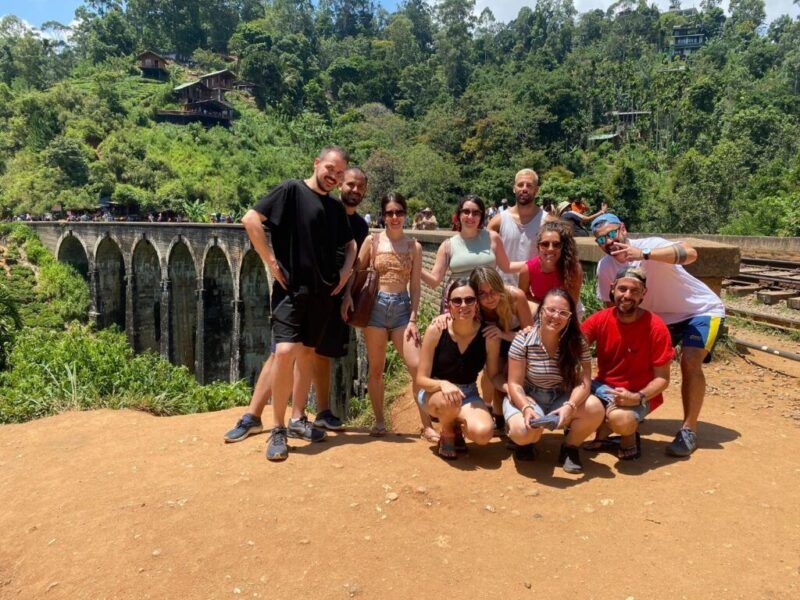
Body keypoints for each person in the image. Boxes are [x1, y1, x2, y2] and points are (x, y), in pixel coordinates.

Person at [225, 167, 369, 444]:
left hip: (334, 296)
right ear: (340, 184)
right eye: (350, 183)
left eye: (360, 187)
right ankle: (253, 416)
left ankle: (321, 412)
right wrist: (272, 261)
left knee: (319, 353)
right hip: (304, 292)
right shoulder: (320, 205)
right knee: (282, 353)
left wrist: (347, 292)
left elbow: (356, 261)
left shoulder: (358, 225)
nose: (354, 190)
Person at [591, 213, 725, 457]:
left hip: (700, 310)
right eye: (601, 240)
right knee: (636, 360)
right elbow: (609, 310)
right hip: (658, 319)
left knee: (690, 360)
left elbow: (691, 253)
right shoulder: (606, 267)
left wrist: (643, 255)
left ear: (623, 228)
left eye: (612, 234)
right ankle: (633, 410)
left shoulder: (650, 245)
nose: (609, 242)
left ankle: (688, 430)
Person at [342, 192, 437, 441]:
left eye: (399, 212)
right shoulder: (372, 242)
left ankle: (426, 424)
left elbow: (415, 287)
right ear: (383, 216)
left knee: (417, 368)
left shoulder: (413, 246)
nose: (394, 217)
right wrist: (347, 297)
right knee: (376, 369)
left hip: (402, 309)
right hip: (375, 308)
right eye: (389, 213)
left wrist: (414, 318)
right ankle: (380, 420)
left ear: (405, 214)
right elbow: (357, 271)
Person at [503, 288, 605, 473]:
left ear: (569, 317)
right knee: (522, 432)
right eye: (551, 310)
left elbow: (584, 383)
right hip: (530, 396)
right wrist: (525, 407)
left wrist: (570, 405)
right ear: (541, 310)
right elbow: (514, 384)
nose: (556, 316)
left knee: (595, 408)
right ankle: (526, 443)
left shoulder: (577, 342)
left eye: (563, 313)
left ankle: (570, 447)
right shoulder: (523, 340)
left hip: (561, 396)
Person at [581, 267, 674, 460]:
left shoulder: (655, 326)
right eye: (622, 289)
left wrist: (637, 397)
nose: (627, 295)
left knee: (621, 419)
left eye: (634, 291)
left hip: (638, 393)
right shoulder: (600, 319)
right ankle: (603, 432)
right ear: (613, 289)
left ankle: (628, 438)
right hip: (604, 388)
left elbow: (663, 378)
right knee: (570, 397)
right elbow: (573, 346)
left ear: (643, 295)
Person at [416, 279, 504, 459]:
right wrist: (442, 384)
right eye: (457, 301)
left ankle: (457, 427)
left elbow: (493, 375)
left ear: (477, 304)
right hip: (434, 393)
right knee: (448, 402)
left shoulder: (488, 336)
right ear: (448, 306)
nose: (463, 305)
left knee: (483, 434)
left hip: (468, 394)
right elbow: (420, 379)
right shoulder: (436, 331)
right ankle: (447, 432)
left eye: (469, 300)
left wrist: (514, 391)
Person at [422, 194, 521, 308]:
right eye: (466, 211)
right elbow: (434, 281)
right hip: (461, 305)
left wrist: (535, 262)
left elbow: (507, 266)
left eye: (476, 213)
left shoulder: (492, 238)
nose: (470, 216)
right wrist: (415, 264)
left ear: (481, 216)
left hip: (488, 302)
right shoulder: (447, 246)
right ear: (459, 214)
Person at [469, 267, 532, 432]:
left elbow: (531, 335)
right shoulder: (473, 305)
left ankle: (502, 416)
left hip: (515, 338)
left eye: (493, 291)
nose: (490, 298)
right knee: (491, 373)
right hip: (491, 341)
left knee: (510, 374)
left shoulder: (515, 296)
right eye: (482, 294)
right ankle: (489, 407)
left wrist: (504, 334)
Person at [488, 169, 545, 287]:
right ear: (514, 188)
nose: (524, 189)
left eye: (529, 185)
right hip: (503, 288)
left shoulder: (546, 221)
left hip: (533, 290)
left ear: (536, 190)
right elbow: (486, 256)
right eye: (520, 185)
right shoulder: (498, 221)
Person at [518, 220, 583, 311]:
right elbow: (523, 295)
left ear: (562, 247)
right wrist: (544, 307)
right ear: (538, 247)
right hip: (540, 308)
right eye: (545, 244)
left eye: (557, 244)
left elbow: (573, 302)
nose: (550, 249)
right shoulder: (527, 269)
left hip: (569, 309)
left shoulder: (573, 268)